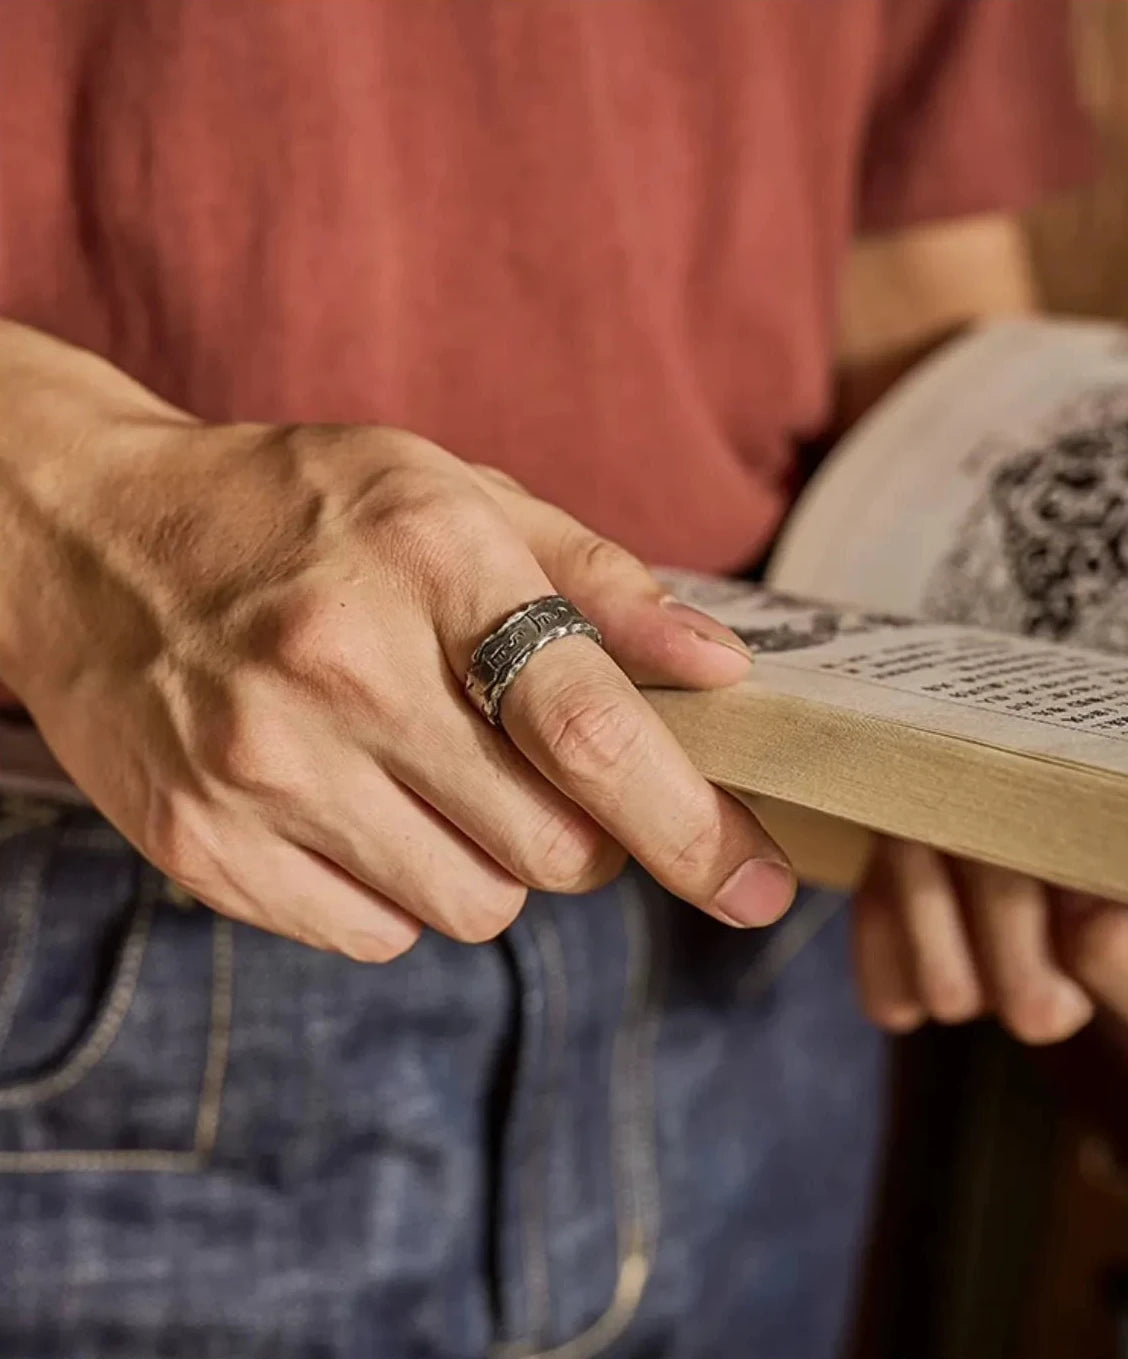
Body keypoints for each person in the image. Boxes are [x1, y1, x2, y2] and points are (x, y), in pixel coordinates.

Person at [0, 3, 1117, 1356]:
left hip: (772, 944)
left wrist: (987, 697)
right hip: (100, 922)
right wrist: (61, 514)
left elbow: (906, 214)